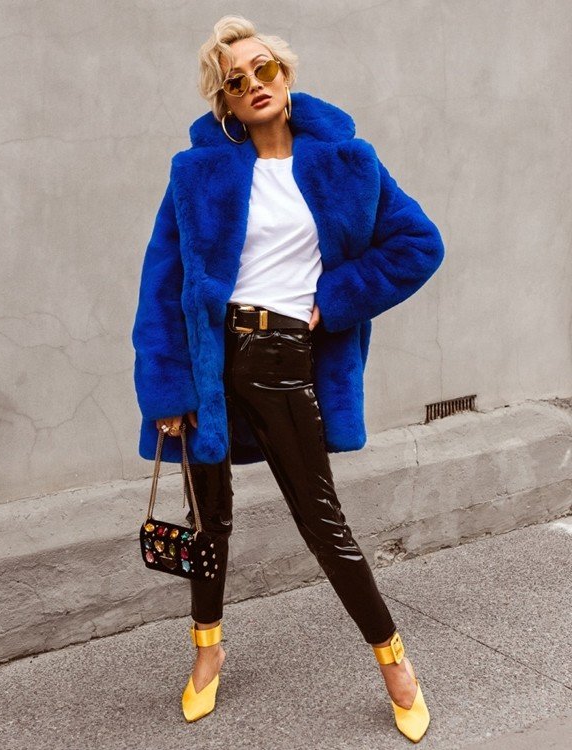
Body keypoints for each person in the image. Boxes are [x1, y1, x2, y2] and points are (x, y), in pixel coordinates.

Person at [131, 14, 444, 743]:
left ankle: (395, 662)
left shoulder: (348, 163)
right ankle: (207, 651)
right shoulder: (197, 173)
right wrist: (168, 389)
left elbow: (418, 244)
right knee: (209, 520)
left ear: (285, 73)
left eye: (263, 69)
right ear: (224, 101)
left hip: (282, 359)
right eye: (235, 81)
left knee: (322, 522)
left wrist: (333, 301)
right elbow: (162, 284)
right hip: (209, 361)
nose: (254, 84)